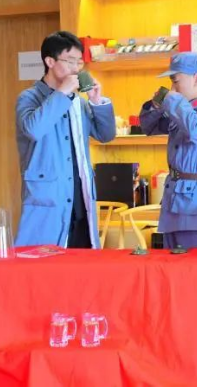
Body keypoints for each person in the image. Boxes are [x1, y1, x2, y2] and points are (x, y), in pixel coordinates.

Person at [15, 31, 116, 248]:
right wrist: (61, 93)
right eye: (70, 61)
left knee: (83, 261)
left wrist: (97, 101)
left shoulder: (78, 102)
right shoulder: (29, 97)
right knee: (44, 261)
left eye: (79, 62)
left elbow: (105, 135)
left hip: (81, 196)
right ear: (50, 61)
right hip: (49, 198)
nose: (76, 68)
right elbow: (33, 129)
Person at [139, 52, 197, 249]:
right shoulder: (183, 110)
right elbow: (148, 127)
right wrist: (156, 106)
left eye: (176, 81)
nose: (173, 88)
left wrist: (174, 102)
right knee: (172, 265)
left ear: (196, 78)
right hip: (174, 200)